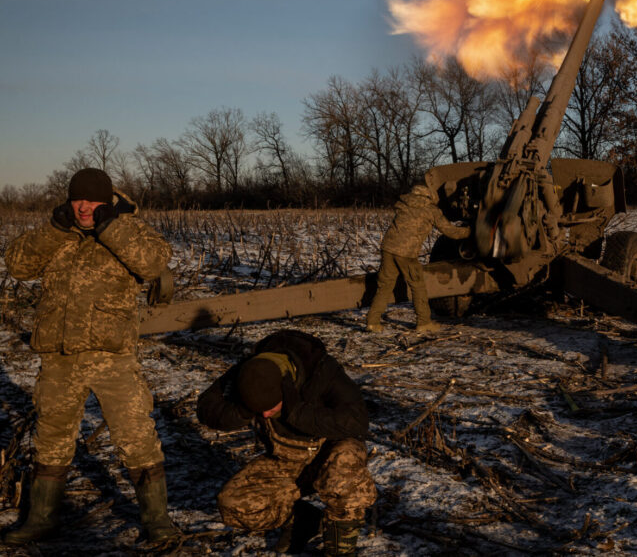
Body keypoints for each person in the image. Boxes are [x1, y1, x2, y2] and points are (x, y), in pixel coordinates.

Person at [3, 167, 179, 546]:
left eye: (92, 200)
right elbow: (17, 265)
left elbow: (152, 263)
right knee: (51, 437)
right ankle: (41, 520)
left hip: (110, 356)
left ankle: (158, 522)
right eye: (77, 199)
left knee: (135, 435)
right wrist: (53, 230)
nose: (84, 207)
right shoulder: (58, 231)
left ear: (107, 199)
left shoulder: (129, 228)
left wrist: (109, 227)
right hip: (59, 357)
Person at [196, 329, 376, 556]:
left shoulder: (322, 370)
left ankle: (341, 549)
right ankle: (304, 520)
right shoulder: (251, 370)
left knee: (344, 466)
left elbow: (358, 422)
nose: (265, 415)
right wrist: (242, 409)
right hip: (286, 460)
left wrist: (298, 412)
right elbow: (205, 409)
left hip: (329, 455)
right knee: (234, 504)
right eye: (259, 411)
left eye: (272, 407)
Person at [365, 184, 470, 333]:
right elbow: (451, 232)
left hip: (388, 248)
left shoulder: (404, 204)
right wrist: (470, 232)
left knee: (385, 286)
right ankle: (424, 322)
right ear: (429, 196)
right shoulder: (430, 210)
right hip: (406, 253)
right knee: (418, 286)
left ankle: (372, 322)